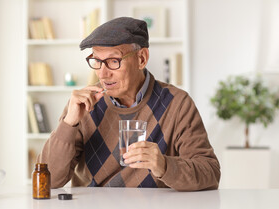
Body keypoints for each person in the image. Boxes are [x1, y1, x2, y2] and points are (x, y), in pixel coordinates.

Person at [38, 17, 220, 191]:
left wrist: (164, 165)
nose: (102, 74)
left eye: (113, 61)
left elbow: (210, 174)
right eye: (97, 61)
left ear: (141, 58)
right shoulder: (82, 105)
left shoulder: (177, 104)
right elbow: (49, 180)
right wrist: (68, 124)